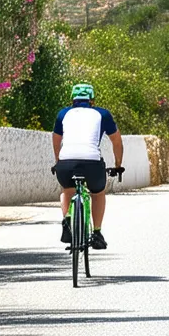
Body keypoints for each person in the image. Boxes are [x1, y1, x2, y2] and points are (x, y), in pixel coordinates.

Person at [52, 83, 124, 250]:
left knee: (67, 190)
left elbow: (56, 140)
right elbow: (117, 141)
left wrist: (58, 162)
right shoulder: (102, 114)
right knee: (97, 193)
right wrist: (118, 165)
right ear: (92, 100)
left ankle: (67, 220)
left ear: (73, 99)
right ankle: (97, 233)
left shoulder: (63, 114)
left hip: (66, 163)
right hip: (92, 163)